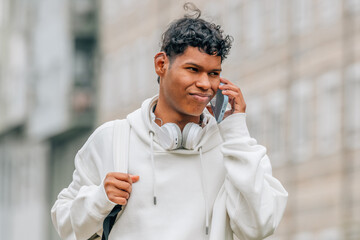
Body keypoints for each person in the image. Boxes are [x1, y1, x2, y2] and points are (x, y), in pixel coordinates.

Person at [51, 3, 288, 240]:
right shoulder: (113, 139)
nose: (206, 84)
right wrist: (99, 199)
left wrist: (235, 131)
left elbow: (260, 227)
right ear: (161, 64)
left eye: (214, 73)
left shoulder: (234, 149)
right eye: (193, 69)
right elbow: (64, 225)